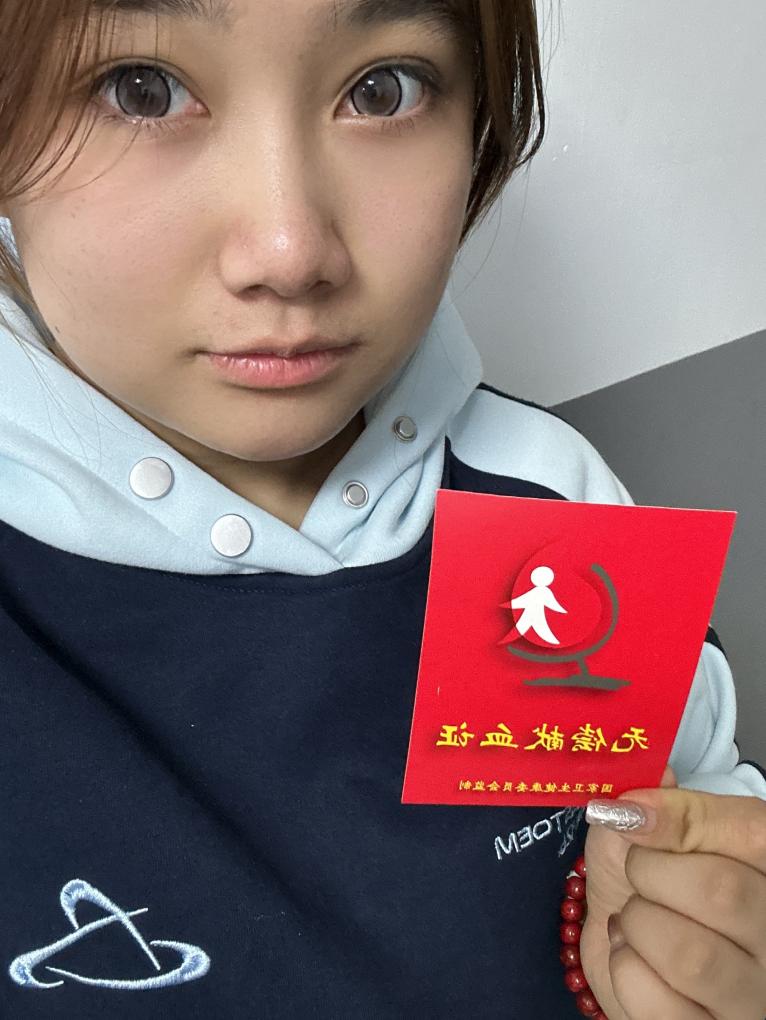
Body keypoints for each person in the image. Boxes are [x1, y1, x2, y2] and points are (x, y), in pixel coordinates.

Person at [0, 2, 764, 1017]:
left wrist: (708, 953)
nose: (288, 252)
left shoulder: (550, 495)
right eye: (140, 90)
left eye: (382, 89)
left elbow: (701, 808)